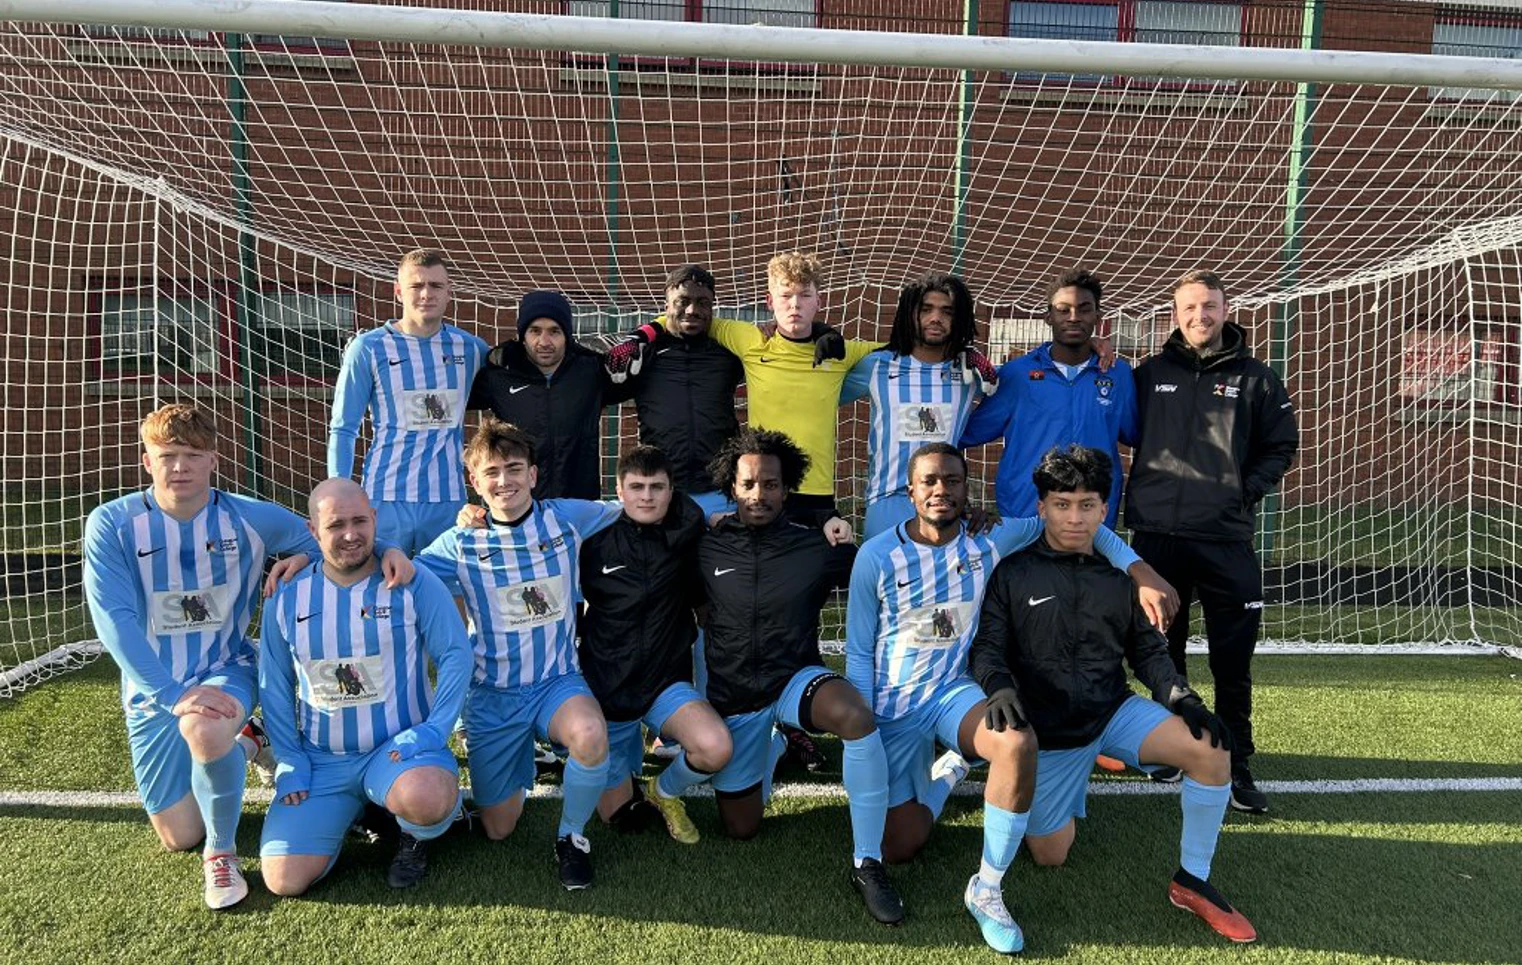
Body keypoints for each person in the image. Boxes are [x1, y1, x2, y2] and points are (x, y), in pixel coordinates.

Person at [81, 403, 410, 909]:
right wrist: (171, 694)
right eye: (167, 455)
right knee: (177, 836)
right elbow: (114, 621)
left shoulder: (245, 516)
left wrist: (371, 547)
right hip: (154, 689)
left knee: (206, 729)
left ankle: (222, 852)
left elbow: (329, 533)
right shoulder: (113, 524)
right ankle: (252, 742)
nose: (180, 466)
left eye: (192, 454)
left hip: (226, 666)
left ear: (214, 459)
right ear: (146, 461)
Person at [969, 444, 1256, 945]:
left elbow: (1148, 652)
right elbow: (988, 648)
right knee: (1052, 854)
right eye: (1062, 504)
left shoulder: (1120, 578)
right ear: (1042, 507)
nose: (1074, 517)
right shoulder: (1012, 573)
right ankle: (1005, 770)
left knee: (1211, 749)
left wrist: (1180, 698)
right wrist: (998, 689)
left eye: (1086, 506)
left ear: (1105, 510)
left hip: (1110, 712)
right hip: (1051, 734)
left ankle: (1192, 881)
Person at [697, 427, 903, 925]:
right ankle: (776, 746)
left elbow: (885, 571)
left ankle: (867, 861)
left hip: (796, 678)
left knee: (854, 716)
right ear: (732, 488)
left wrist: (826, 519)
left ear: (786, 488)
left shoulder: (816, 547)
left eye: (770, 485)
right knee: (741, 828)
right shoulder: (705, 547)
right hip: (734, 698)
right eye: (748, 485)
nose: (758, 495)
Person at [415, 419, 623, 889]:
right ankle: (519, 758)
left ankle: (572, 838)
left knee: (590, 734)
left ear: (532, 474)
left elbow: (635, 505)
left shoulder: (566, 517)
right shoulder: (459, 541)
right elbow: (398, 569)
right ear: (475, 482)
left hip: (557, 681)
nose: (504, 480)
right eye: (492, 472)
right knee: (498, 828)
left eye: (514, 468)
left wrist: (710, 518)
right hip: (492, 694)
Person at [1126, 270, 1298, 812]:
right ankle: (1177, 751)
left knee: (1232, 661)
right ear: (1174, 315)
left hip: (1225, 539)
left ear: (1226, 310)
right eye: (1189, 307)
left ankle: (1237, 765)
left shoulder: (1258, 379)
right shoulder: (1149, 374)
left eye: (1209, 306)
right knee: (1162, 653)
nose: (1199, 316)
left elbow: (1281, 445)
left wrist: (1240, 492)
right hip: (1158, 539)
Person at [257, 479, 471, 895]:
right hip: (323, 759)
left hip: (398, 750)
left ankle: (414, 834)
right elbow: (275, 683)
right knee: (284, 880)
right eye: (336, 525)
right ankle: (362, 813)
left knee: (426, 797)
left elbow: (456, 655)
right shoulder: (285, 593)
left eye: (360, 520)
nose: (351, 534)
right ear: (313, 531)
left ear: (375, 520)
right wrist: (289, 758)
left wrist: (435, 730)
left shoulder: (411, 579)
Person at [579, 445, 733, 844]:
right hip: (608, 687)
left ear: (671, 491)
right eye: (637, 486)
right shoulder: (592, 542)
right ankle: (616, 758)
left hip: (665, 682)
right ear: (619, 490)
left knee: (714, 748)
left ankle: (663, 791)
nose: (646, 496)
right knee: (618, 818)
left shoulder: (689, 530)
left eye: (656, 487)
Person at [328, 248, 490, 554]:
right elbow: (344, 428)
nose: (426, 294)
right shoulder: (368, 348)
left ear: (448, 293)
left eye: (436, 286)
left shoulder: (471, 349)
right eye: (416, 286)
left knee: (446, 593)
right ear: (399, 292)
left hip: (447, 499)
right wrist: (338, 491)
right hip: (385, 496)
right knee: (382, 589)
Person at [959, 268, 1136, 527]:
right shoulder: (1016, 375)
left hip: (1090, 521)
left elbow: (1138, 435)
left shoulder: (1118, 374)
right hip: (1025, 517)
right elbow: (962, 435)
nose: (1074, 317)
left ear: (1098, 317)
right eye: (1063, 309)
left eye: (1084, 309)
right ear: (1048, 317)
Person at [840, 272, 998, 538]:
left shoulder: (972, 371)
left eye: (947, 311)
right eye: (926, 309)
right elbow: (819, 395)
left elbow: (1021, 389)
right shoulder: (877, 365)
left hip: (944, 502)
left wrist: (1093, 348)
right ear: (909, 314)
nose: (936, 318)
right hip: (887, 499)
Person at [603, 265, 745, 518]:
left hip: (720, 491)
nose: (693, 310)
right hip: (662, 490)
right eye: (683, 301)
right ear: (666, 304)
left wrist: (821, 332)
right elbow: (602, 392)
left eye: (703, 303)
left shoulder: (728, 353)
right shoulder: (644, 352)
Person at [468, 290, 618, 500]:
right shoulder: (499, 376)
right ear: (522, 335)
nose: (544, 341)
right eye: (535, 331)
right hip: (520, 505)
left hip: (579, 505)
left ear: (567, 335)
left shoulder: (592, 371)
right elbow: (451, 401)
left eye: (554, 331)